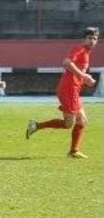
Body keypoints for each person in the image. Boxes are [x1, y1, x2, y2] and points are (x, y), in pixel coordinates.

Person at [26, 27, 99, 159]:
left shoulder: (86, 52)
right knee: (68, 124)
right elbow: (66, 62)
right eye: (89, 38)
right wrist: (85, 76)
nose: (92, 41)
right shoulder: (79, 49)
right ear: (83, 39)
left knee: (81, 121)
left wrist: (84, 78)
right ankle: (36, 126)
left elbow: (75, 69)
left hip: (73, 90)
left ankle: (73, 151)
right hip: (68, 89)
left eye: (95, 39)